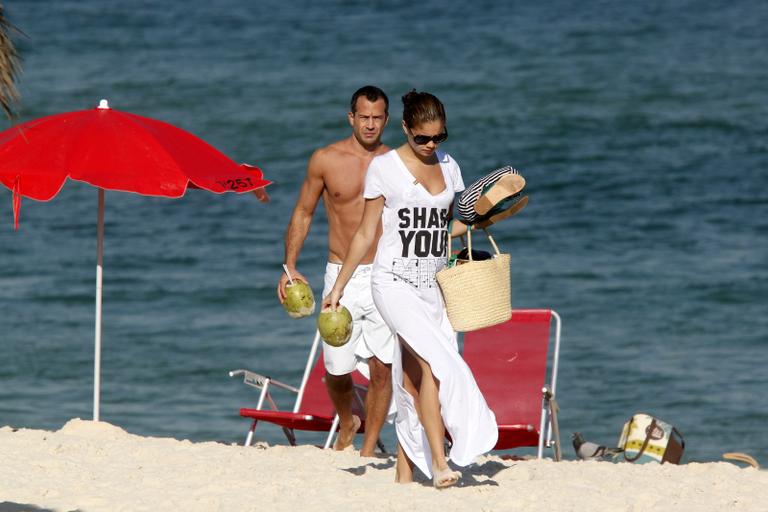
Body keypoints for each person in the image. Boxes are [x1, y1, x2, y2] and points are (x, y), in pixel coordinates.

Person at [323, 90, 498, 488]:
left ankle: (404, 474)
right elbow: (367, 232)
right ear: (405, 129)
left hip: (433, 287)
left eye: (438, 137)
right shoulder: (385, 167)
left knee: (410, 380)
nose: (430, 145)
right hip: (393, 282)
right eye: (422, 138)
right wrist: (339, 286)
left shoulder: (450, 167)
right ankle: (440, 463)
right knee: (436, 367)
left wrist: (481, 223)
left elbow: (446, 230)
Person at [277, 85, 394, 457]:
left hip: (386, 274)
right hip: (339, 273)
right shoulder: (326, 159)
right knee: (336, 370)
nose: (371, 124)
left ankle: (369, 447)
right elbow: (303, 212)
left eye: (377, 118)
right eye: (364, 117)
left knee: (382, 368)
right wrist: (290, 266)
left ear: (386, 120)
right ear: (352, 118)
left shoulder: (397, 163)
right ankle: (348, 420)